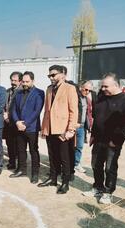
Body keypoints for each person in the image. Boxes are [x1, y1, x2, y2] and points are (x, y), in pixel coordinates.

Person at [83, 73, 125, 204]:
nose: (103, 89)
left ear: (116, 85)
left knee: (110, 168)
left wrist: (117, 140)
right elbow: (96, 115)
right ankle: (98, 187)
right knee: (96, 165)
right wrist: (94, 134)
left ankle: (108, 192)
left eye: (106, 86)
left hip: (113, 141)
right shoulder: (101, 96)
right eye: (102, 86)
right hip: (99, 139)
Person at [38, 65, 78, 194]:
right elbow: (47, 111)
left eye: (53, 75)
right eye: (49, 75)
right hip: (50, 129)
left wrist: (70, 130)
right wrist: (44, 128)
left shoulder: (70, 88)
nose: (51, 77)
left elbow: (74, 111)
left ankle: (65, 182)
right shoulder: (49, 89)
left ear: (63, 74)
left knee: (64, 158)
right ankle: (53, 178)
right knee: (52, 156)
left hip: (63, 130)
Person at [10, 71, 44, 183]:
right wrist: (17, 122)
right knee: (21, 150)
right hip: (19, 127)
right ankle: (21, 170)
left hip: (32, 128)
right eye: (23, 81)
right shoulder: (18, 93)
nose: (24, 83)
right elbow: (13, 109)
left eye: (27, 81)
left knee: (33, 151)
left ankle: (35, 174)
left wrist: (25, 124)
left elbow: (37, 111)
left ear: (33, 81)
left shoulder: (39, 93)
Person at [74, 80, 94, 173]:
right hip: (73, 126)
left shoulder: (87, 99)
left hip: (82, 127)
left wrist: (89, 124)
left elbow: (89, 113)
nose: (87, 92)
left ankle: (76, 163)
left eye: (89, 90)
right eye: (86, 89)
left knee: (80, 146)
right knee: (69, 147)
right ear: (80, 87)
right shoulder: (74, 97)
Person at [4, 71, 22, 170]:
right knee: (9, 143)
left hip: (17, 121)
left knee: (19, 145)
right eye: (12, 80)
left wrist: (11, 116)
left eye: (15, 80)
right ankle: (12, 162)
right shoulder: (7, 91)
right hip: (8, 123)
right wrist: (5, 116)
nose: (13, 82)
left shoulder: (22, 92)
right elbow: (4, 105)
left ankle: (20, 164)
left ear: (20, 81)